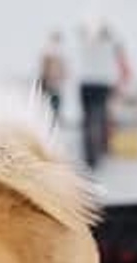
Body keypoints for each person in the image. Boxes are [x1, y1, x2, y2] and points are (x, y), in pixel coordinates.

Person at [77, 15, 129, 169]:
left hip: (89, 84)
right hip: (99, 84)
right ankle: (95, 156)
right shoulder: (109, 45)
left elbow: (82, 32)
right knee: (97, 120)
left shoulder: (88, 43)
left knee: (89, 121)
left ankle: (90, 157)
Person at [37, 29, 68, 120]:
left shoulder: (57, 53)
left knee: (54, 110)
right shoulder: (49, 53)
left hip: (55, 87)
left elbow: (64, 73)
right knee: (49, 110)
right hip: (49, 87)